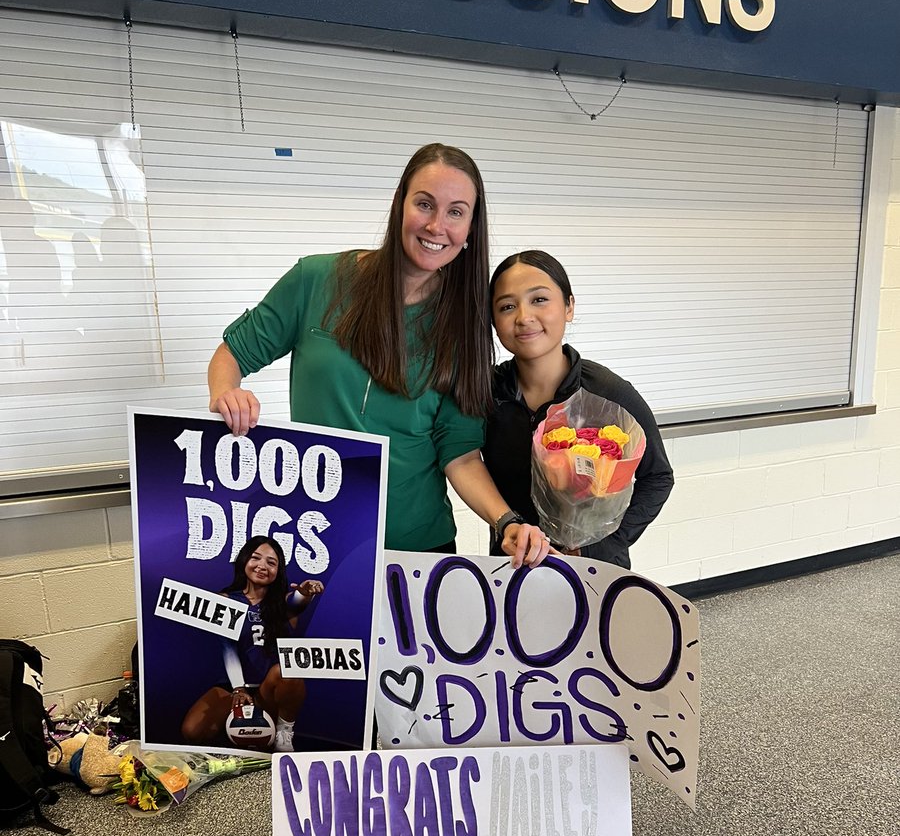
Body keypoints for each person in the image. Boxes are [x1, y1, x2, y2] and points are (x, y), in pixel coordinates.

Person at [207, 143, 549, 567]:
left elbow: (458, 453)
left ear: (470, 230)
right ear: (399, 204)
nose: (437, 225)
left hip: (418, 550)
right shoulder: (316, 280)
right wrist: (226, 392)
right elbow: (233, 351)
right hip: (317, 542)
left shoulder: (464, 324)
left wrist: (506, 522)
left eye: (456, 212)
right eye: (425, 204)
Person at [483, 250, 674, 569]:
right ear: (494, 321)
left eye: (539, 300)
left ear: (569, 306)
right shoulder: (486, 394)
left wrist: (605, 544)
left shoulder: (607, 392)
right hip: (511, 564)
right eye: (507, 306)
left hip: (593, 569)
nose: (524, 317)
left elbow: (657, 477)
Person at [181, 536, 325, 751]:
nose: (262, 566)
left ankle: (284, 733)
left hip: (269, 688)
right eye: (256, 558)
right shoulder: (226, 600)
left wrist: (305, 592)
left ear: (278, 571)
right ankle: (236, 734)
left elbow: (298, 600)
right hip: (234, 686)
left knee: (289, 669)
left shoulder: (282, 603)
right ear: (244, 561)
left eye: (271, 562)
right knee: (192, 731)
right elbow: (227, 647)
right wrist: (238, 688)